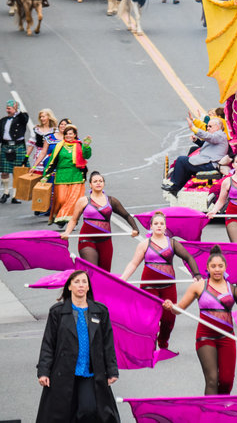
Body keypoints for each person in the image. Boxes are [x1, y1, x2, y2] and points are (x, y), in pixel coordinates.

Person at [165, 246, 237, 394]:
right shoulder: (199, 286)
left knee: (226, 382)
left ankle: (220, 409)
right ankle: (210, 414)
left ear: (225, 267)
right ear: (207, 268)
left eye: (220, 266)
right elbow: (179, 310)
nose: (217, 269)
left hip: (227, 338)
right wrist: (171, 307)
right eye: (213, 266)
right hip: (205, 338)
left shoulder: (234, 290)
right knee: (212, 380)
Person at [36, 270, 120, 423]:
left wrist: (112, 370)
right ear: (69, 287)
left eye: (84, 282)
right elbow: (48, 343)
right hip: (63, 372)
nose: (81, 285)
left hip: (89, 372)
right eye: (76, 282)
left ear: (88, 287)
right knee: (63, 414)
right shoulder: (58, 312)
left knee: (89, 410)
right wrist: (43, 371)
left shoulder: (100, 311)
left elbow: (108, 343)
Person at [120, 212, 201, 350]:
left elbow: (188, 257)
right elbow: (134, 263)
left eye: (161, 224)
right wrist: (123, 279)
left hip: (168, 286)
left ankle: (163, 343)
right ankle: (149, 344)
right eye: (156, 224)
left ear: (165, 227)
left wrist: (197, 275)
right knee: (149, 318)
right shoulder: (145, 244)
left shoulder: (173, 243)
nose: (159, 226)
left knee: (169, 320)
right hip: (148, 287)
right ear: (151, 226)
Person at [59, 171, 141, 271]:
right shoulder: (83, 201)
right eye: (95, 181)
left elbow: (126, 215)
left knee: (105, 275)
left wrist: (135, 229)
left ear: (104, 183)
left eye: (100, 181)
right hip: (87, 240)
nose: (98, 183)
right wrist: (67, 232)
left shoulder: (111, 201)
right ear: (90, 184)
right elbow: (73, 220)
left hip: (105, 242)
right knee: (92, 272)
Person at [162, 116, 228, 196]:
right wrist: (196, 141)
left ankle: (174, 185)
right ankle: (175, 188)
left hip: (211, 164)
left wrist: (193, 128)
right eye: (207, 126)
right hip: (208, 162)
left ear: (217, 127)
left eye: (210, 126)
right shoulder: (216, 136)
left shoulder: (219, 135)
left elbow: (208, 137)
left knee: (181, 160)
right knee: (186, 167)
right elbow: (206, 145)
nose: (208, 128)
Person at [42, 124, 91, 225]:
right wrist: (46, 175)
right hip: (61, 176)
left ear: (75, 135)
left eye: (70, 134)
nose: (68, 136)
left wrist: (86, 146)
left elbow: (87, 156)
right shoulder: (59, 146)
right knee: (61, 199)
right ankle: (60, 216)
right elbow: (52, 161)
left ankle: (69, 219)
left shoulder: (79, 145)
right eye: (66, 134)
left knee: (73, 201)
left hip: (76, 176)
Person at [0, 99, 29, 204]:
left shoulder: (22, 117)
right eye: (7, 108)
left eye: (9, 108)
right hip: (6, 146)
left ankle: (15, 195)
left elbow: (24, 119)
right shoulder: (3, 120)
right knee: (4, 171)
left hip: (18, 146)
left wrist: (18, 111)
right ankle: (6, 192)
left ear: (15, 108)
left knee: (17, 172)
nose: (7, 110)